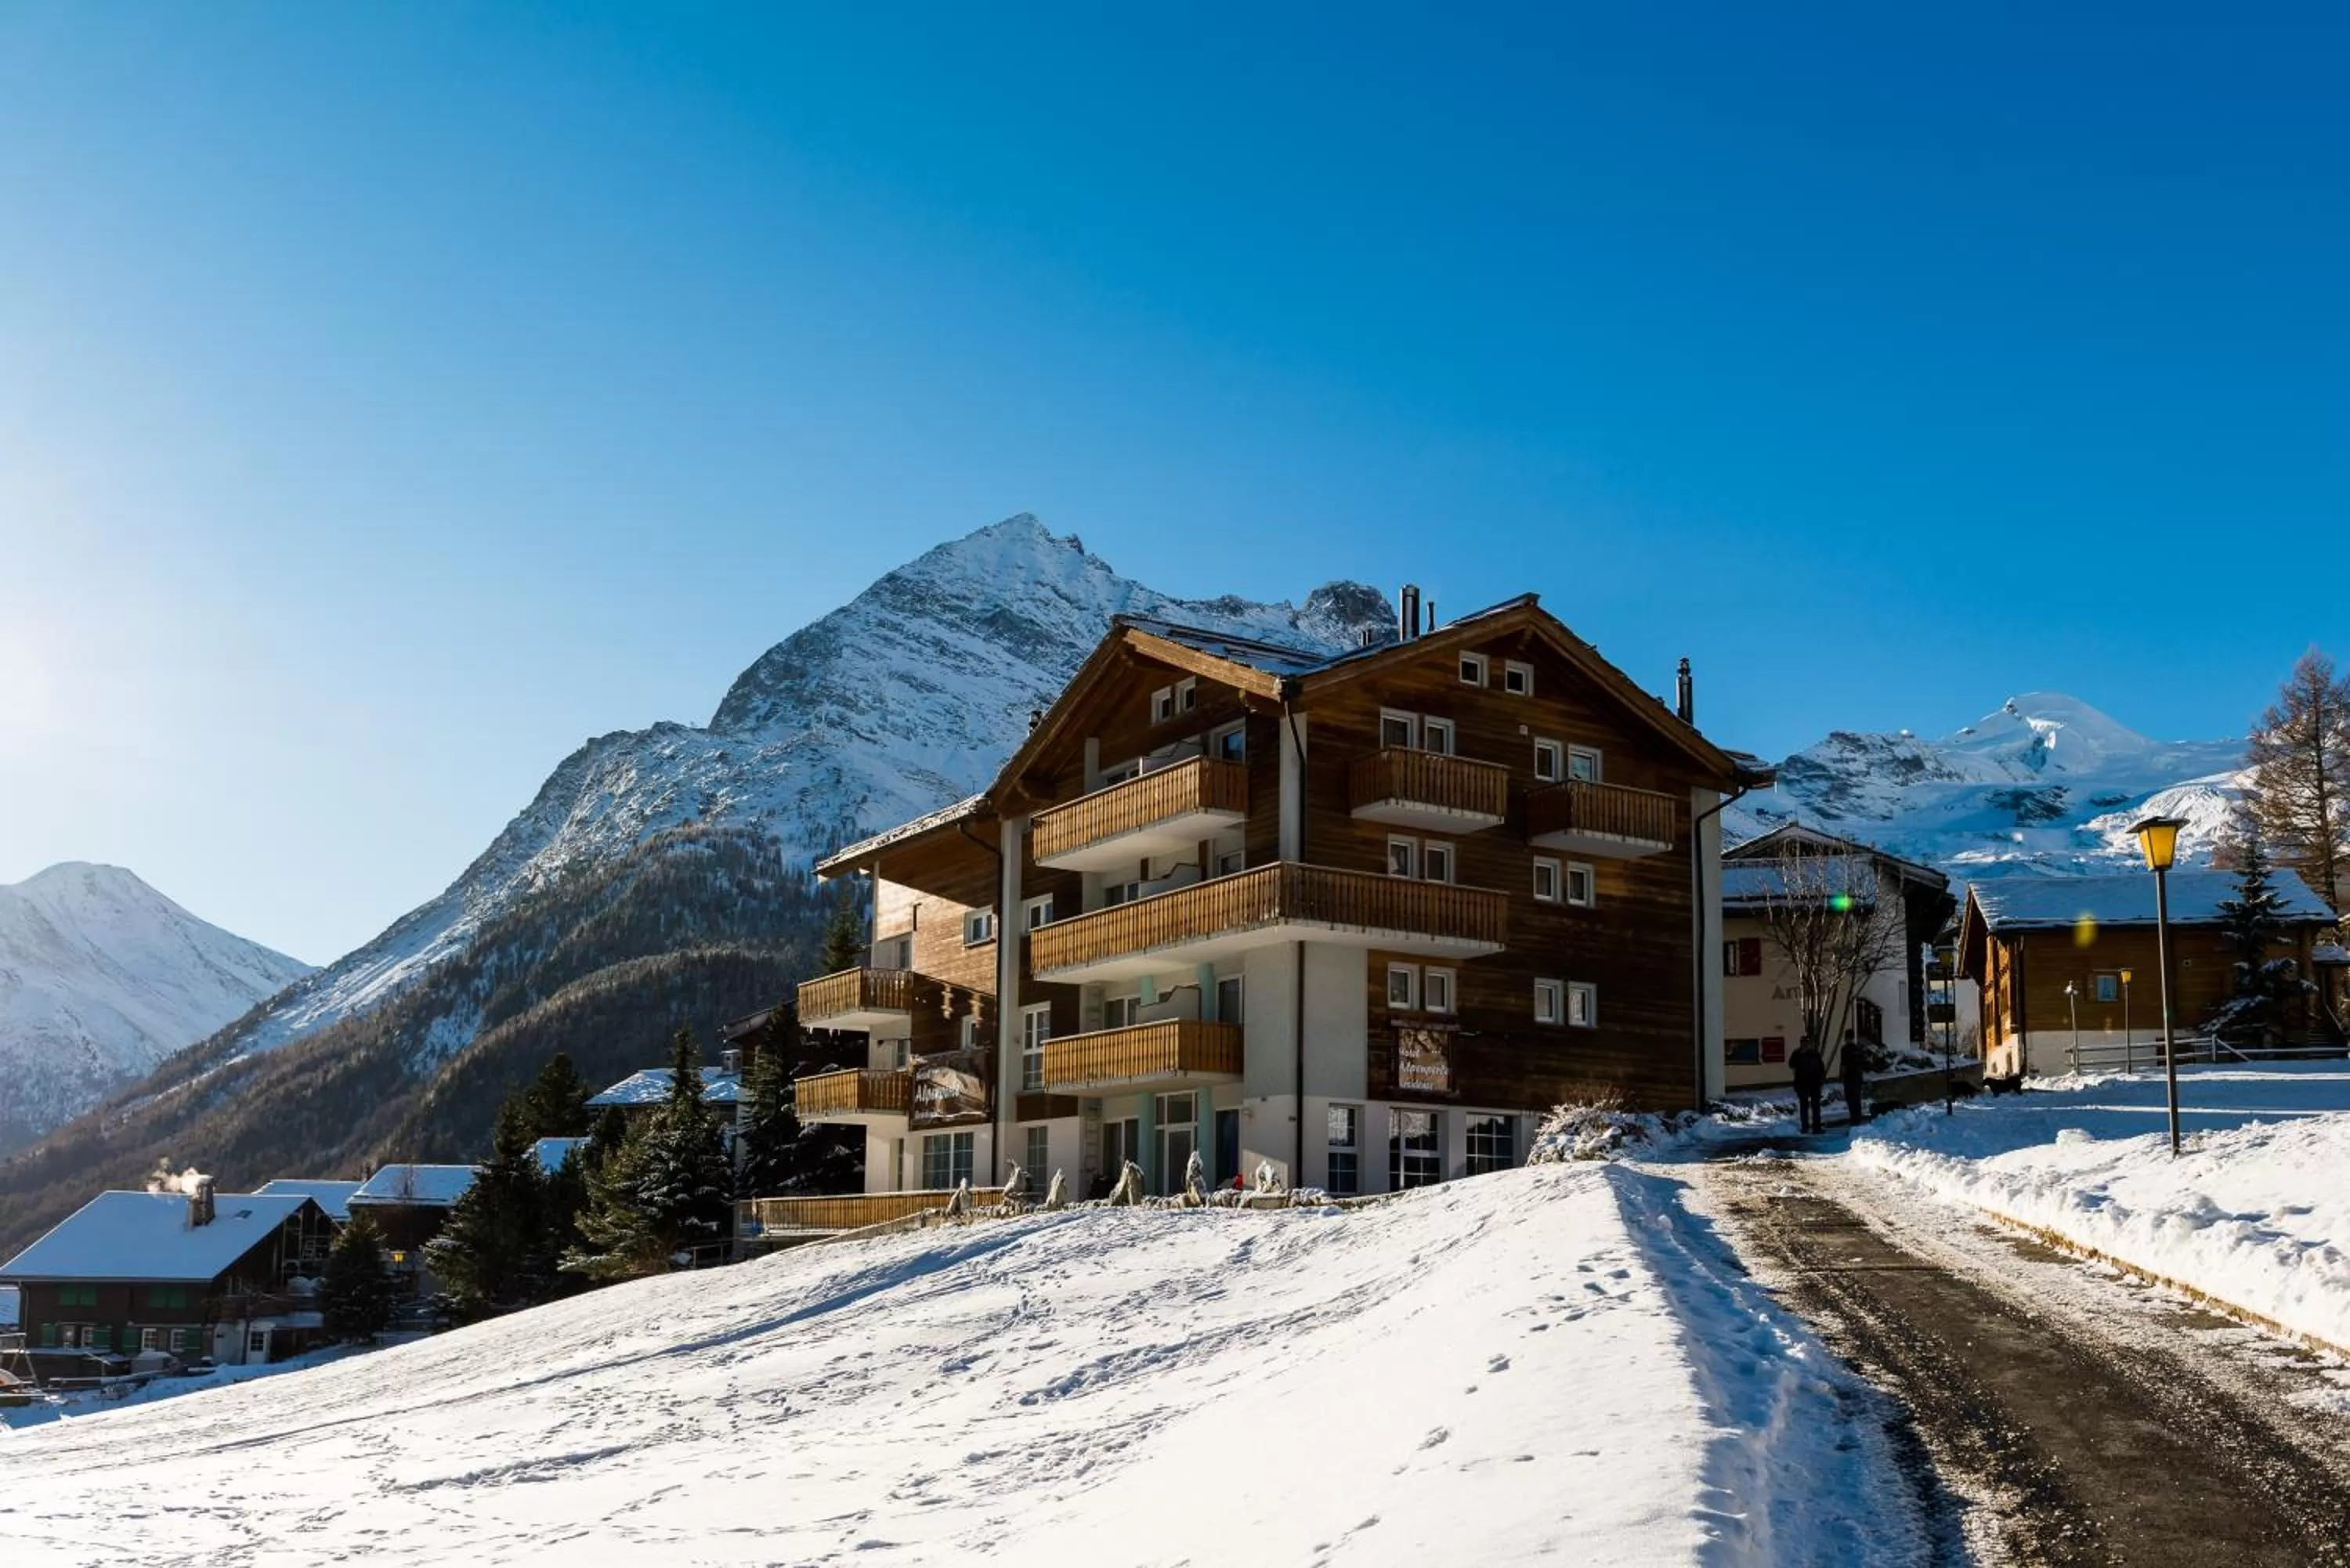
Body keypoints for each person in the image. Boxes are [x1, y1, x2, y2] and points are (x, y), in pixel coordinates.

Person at [1789, 1037, 1827, 1134]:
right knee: (1806, 1106)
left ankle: (1814, 1127)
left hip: (1813, 1083)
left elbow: (1821, 1068)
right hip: (1803, 1084)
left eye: (1806, 1043)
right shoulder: (1798, 1054)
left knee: (1813, 1106)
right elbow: (1791, 1065)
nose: (1805, 1045)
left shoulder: (1813, 1054)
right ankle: (1807, 1127)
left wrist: (1821, 1080)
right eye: (1804, 1043)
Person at [1841, 1029, 1868, 1125]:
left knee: (1850, 1099)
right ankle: (1858, 1119)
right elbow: (1863, 1063)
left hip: (1849, 1078)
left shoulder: (1845, 1050)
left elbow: (1843, 1065)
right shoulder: (1858, 1049)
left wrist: (1843, 1076)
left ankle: (1853, 1119)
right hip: (1857, 1077)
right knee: (1857, 1100)